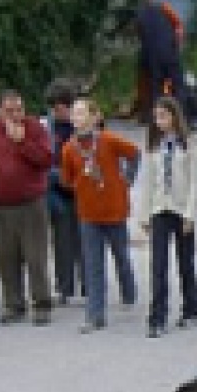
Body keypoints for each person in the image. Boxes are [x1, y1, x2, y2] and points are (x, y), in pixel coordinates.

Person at [60, 97, 141, 333]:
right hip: (88, 213)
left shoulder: (108, 140)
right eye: (74, 113)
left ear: (95, 117)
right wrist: (78, 183)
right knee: (93, 264)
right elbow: (66, 178)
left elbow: (134, 153)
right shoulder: (69, 147)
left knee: (121, 255)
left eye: (82, 113)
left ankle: (128, 289)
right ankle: (95, 315)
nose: (77, 118)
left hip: (114, 209)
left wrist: (127, 178)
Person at [0, 89, 54, 325]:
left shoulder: (35, 129)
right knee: (7, 258)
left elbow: (47, 159)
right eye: (9, 111)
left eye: (19, 109)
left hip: (31, 203)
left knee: (35, 256)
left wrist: (22, 142)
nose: (15, 115)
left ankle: (41, 304)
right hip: (1, 204)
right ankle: (13, 304)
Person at [139, 95, 197, 337]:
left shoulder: (188, 144)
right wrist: (144, 213)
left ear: (175, 117)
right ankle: (157, 317)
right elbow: (148, 181)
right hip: (159, 208)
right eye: (156, 117)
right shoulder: (154, 146)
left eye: (164, 116)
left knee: (185, 262)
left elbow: (195, 181)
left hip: (180, 208)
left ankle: (191, 308)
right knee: (158, 265)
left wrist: (190, 214)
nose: (160, 121)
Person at [43, 81, 85, 303]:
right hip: (58, 192)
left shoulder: (82, 126)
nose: (54, 113)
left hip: (82, 191)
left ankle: (90, 285)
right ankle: (64, 287)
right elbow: (43, 158)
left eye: (58, 108)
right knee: (62, 243)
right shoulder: (47, 128)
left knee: (86, 241)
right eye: (52, 108)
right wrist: (55, 175)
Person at [136, 0, 185, 108]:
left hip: (153, 57)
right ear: (153, 0)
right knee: (178, 85)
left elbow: (142, 37)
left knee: (156, 88)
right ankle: (182, 114)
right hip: (169, 53)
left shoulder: (140, 16)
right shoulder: (165, 8)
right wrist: (178, 45)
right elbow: (178, 27)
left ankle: (156, 116)